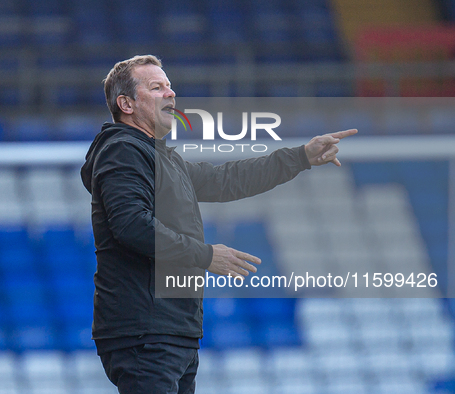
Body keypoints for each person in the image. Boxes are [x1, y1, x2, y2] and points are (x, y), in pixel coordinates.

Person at [80, 54, 356, 394]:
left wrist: (300, 157)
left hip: (173, 331)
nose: (170, 94)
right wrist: (207, 256)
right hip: (146, 332)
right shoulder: (122, 150)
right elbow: (131, 225)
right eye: (156, 87)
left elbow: (227, 179)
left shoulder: (162, 158)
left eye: (169, 86)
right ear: (126, 103)